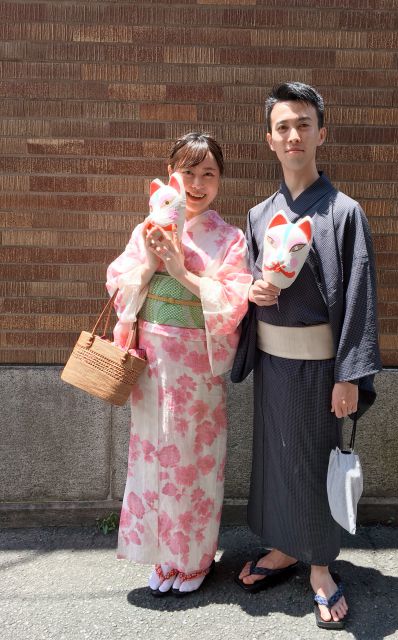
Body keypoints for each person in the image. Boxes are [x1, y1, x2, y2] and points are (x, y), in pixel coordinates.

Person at [231, 82, 381, 629]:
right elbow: (248, 280)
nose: (293, 135)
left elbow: (360, 295)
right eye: (283, 127)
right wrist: (253, 290)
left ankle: (319, 566)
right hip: (272, 360)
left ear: (322, 134)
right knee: (275, 456)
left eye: (303, 125)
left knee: (315, 460)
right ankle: (284, 546)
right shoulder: (258, 214)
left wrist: (349, 374)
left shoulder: (344, 213)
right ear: (269, 139)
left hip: (321, 368)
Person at [106, 133, 252, 595]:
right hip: (152, 361)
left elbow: (234, 301)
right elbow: (118, 284)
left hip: (196, 367)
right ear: (171, 176)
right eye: (188, 172)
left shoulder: (230, 239)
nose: (197, 183)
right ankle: (162, 556)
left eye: (209, 174)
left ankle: (193, 560)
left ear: (220, 181)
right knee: (151, 456)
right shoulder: (147, 229)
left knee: (193, 461)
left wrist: (181, 273)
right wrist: (149, 264)